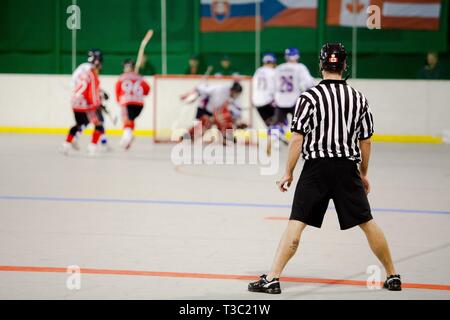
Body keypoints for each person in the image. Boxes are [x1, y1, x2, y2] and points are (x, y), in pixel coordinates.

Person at [248, 43, 401, 294]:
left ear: (321, 65)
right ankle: (393, 275)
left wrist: (288, 172)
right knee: (367, 222)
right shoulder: (358, 98)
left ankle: (273, 279)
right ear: (344, 65)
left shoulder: (309, 97)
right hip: (346, 168)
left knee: (296, 224)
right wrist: (363, 173)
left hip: (316, 169)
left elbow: (297, 139)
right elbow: (366, 140)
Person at [61, 49, 106, 156]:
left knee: (80, 124)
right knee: (99, 123)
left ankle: (66, 145)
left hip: (74, 101)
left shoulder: (83, 71)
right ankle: (92, 147)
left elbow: (82, 86)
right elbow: (92, 93)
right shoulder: (93, 74)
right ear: (97, 62)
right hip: (85, 103)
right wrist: (97, 105)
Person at [272, 47, 315, 144]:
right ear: (297, 56)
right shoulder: (300, 67)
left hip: (280, 100)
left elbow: (273, 84)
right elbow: (309, 83)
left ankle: (275, 142)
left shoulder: (279, 68)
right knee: (300, 124)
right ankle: (305, 142)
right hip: (295, 100)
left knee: (278, 123)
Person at [115, 59, 151, 150]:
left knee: (126, 120)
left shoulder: (122, 77)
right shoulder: (139, 77)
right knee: (131, 120)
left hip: (127, 102)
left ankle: (126, 136)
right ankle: (129, 135)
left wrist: (119, 101)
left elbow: (118, 90)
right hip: (139, 104)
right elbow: (147, 90)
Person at [252, 53, 277, 126]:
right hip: (268, 102)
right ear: (273, 62)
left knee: (270, 125)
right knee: (277, 124)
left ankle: (273, 135)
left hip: (257, 102)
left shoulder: (258, 71)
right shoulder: (274, 71)